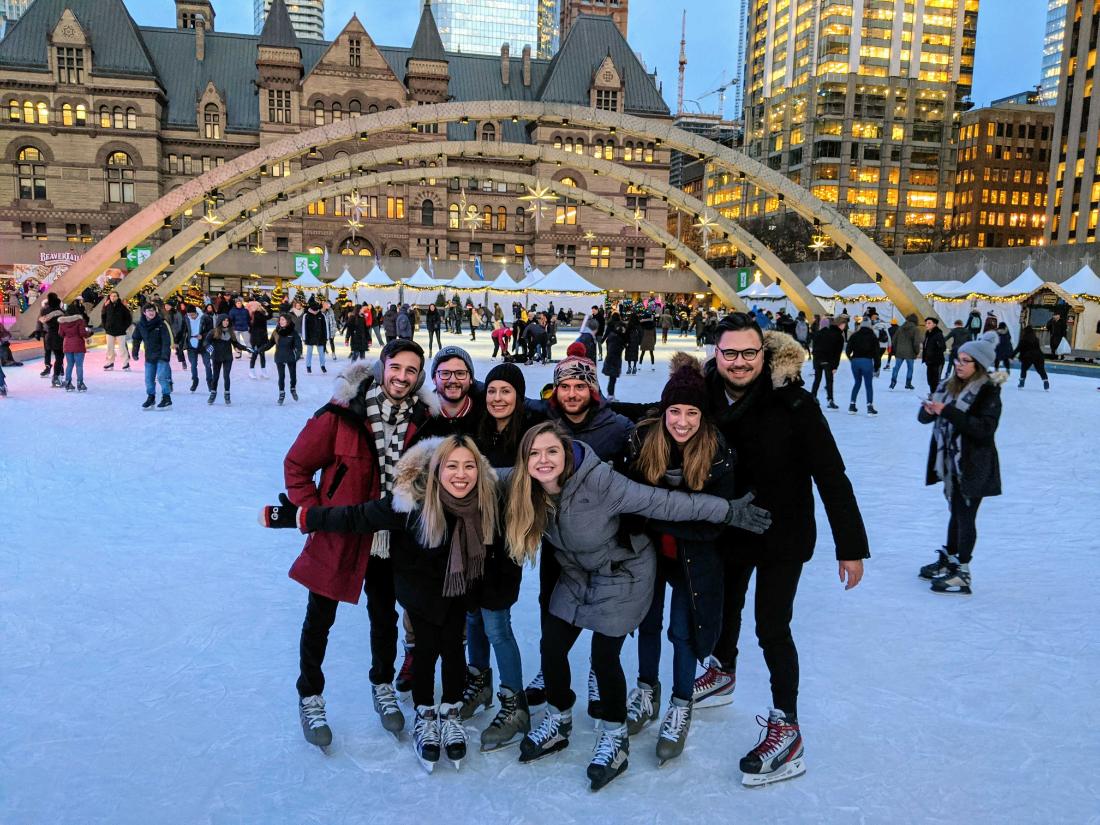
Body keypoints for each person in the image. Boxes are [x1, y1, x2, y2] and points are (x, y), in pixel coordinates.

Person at [508, 422, 770, 791]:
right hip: (577, 575)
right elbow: (473, 474)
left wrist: (726, 510)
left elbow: (664, 502)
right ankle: (559, 716)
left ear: (566, 453)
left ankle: (615, 737)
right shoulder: (524, 485)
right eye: (534, 453)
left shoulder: (601, 482)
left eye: (551, 451)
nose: (543, 460)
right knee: (551, 644)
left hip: (623, 572)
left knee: (604, 654)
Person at [692, 313, 868, 787]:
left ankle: (786, 726)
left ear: (764, 353)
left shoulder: (794, 403)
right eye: (730, 353)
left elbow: (831, 475)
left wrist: (850, 546)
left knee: (771, 625)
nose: (740, 362)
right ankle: (722, 671)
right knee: (723, 607)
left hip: (782, 534)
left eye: (750, 353)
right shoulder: (702, 394)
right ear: (716, 353)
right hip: (730, 525)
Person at [263, 435, 505, 771]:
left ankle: (449, 711)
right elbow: (355, 517)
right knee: (425, 650)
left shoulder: (484, 503)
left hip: (457, 590)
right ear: (435, 470)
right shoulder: (410, 505)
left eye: (468, 466)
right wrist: (304, 516)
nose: (460, 474)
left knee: (453, 648)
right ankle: (424, 713)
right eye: (451, 466)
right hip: (419, 591)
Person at [280, 339, 438, 747]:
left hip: (390, 536)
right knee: (320, 618)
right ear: (382, 366)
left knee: (384, 616)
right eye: (396, 367)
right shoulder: (341, 414)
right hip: (342, 532)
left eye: (411, 371)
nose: (402, 377)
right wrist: (315, 515)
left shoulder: (424, 419)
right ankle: (310, 695)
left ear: (418, 376)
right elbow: (297, 465)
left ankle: (382, 684)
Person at [623, 354, 738, 765]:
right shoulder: (642, 442)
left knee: (683, 631)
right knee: (648, 622)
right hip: (650, 553)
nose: (682, 421)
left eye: (692, 412)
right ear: (664, 410)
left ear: (703, 416)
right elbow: (633, 507)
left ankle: (680, 702)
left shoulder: (719, 452)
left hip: (695, 558)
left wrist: (664, 512)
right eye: (675, 411)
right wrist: (680, 510)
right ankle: (647, 689)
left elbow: (714, 524)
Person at [918, 331, 1003, 595]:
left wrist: (949, 412)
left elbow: (983, 430)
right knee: (956, 513)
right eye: (958, 359)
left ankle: (963, 572)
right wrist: (930, 410)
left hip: (975, 465)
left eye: (966, 360)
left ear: (978, 365)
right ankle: (951, 558)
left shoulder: (987, 391)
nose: (959, 364)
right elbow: (923, 419)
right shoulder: (947, 386)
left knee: (965, 516)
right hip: (951, 464)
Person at [131, 303, 174, 409]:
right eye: (149, 310)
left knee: (161, 377)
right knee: (148, 379)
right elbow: (136, 338)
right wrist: (135, 351)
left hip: (161, 355)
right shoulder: (141, 325)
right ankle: (151, 397)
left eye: (153, 310)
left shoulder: (161, 324)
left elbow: (166, 341)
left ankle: (166, 398)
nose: (151, 312)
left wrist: (165, 355)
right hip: (149, 356)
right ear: (144, 312)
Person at [204, 315, 251, 405]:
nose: (226, 322)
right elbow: (206, 341)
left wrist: (247, 348)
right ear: (220, 321)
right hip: (216, 357)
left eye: (227, 321)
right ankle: (213, 394)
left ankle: (227, 394)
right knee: (216, 377)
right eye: (224, 320)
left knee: (226, 376)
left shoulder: (230, 332)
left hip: (227, 357)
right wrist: (208, 347)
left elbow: (236, 344)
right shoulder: (214, 332)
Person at [259, 313, 303, 404]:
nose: (281, 321)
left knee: (293, 375)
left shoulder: (293, 332)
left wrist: (297, 355)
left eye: (283, 320)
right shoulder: (276, 332)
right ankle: (281, 394)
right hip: (279, 356)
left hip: (291, 356)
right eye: (280, 320)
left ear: (287, 321)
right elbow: (269, 344)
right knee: (281, 376)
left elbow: (299, 345)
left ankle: (292, 388)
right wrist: (259, 350)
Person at [845, 318, 879, 415]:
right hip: (867, 362)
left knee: (857, 383)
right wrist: (877, 366)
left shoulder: (854, 335)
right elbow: (876, 353)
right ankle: (869, 407)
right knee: (868, 385)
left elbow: (848, 350)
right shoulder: (872, 336)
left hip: (855, 361)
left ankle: (852, 405)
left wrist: (851, 359)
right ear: (869, 325)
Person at [810, 316, 843, 409]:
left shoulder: (817, 334)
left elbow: (814, 349)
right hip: (827, 361)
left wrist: (814, 363)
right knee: (829, 381)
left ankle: (812, 397)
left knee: (817, 380)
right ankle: (830, 400)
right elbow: (834, 350)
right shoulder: (831, 334)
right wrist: (834, 365)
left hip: (817, 360)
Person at [58, 302, 91, 392]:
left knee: (69, 365)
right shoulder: (79, 321)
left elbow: (61, 334)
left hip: (67, 345)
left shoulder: (62, 322)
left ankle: (68, 383)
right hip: (78, 345)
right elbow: (82, 333)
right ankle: (80, 384)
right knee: (79, 366)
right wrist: (89, 333)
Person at [184, 304, 215, 392]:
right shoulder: (186, 318)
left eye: (193, 315)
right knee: (193, 365)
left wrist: (203, 336)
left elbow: (211, 331)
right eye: (189, 315)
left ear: (196, 312)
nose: (191, 317)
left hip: (204, 345)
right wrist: (177, 341)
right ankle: (195, 381)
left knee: (207, 364)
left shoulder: (205, 318)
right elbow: (183, 330)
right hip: (191, 345)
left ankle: (210, 382)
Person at [101, 290, 132, 371]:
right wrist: (105, 326)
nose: (113, 297)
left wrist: (123, 327)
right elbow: (103, 316)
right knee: (109, 348)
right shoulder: (107, 306)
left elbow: (129, 318)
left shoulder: (122, 306)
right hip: (109, 331)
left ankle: (126, 363)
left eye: (115, 296)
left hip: (120, 331)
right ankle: (110, 362)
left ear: (118, 297)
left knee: (122, 348)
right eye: (111, 296)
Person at [38, 293, 65, 387]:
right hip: (58, 337)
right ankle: (56, 377)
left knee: (50, 353)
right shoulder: (60, 311)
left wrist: (38, 332)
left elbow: (40, 322)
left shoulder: (44, 311)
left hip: (48, 336)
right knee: (59, 357)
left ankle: (51, 370)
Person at [889, 313, 922, 390]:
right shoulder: (916, 329)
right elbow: (916, 342)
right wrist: (917, 352)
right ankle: (908, 383)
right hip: (910, 353)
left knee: (896, 367)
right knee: (910, 368)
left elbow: (894, 340)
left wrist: (895, 349)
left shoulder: (900, 328)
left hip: (899, 352)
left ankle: (893, 382)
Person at [1013, 325, 1050, 390]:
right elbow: (1038, 348)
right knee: (1041, 370)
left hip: (1028, 357)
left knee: (1024, 369)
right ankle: (1046, 383)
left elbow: (1018, 348)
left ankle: (1021, 384)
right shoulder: (1036, 339)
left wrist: (1011, 355)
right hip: (1038, 356)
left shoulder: (1024, 339)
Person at [601, 315, 625, 398]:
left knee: (612, 377)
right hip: (614, 356)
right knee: (613, 377)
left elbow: (606, 333)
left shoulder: (611, 327)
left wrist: (602, 340)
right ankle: (610, 395)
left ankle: (610, 394)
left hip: (611, 349)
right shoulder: (619, 333)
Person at [921, 317, 947, 395]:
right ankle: (933, 393)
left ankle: (936, 395)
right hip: (929, 361)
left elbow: (943, 347)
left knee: (935, 380)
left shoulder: (938, 334)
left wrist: (934, 353)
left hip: (937, 361)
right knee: (930, 380)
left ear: (934, 324)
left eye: (929, 323)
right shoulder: (928, 334)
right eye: (926, 323)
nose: (927, 325)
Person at [247, 300, 271, 379]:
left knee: (262, 355)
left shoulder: (261, 313)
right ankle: (251, 371)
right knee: (255, 354)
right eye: (259, 306)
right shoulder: (256, 314)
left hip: (262, 337)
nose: (260, 307)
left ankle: (263, 371)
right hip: (255, 338)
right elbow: (266, 317)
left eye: (260, 305)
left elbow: (269, 316)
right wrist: (266, 308)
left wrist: (268, 307)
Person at [303, 300, 328, 375]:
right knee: (309, 352)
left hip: (320, 337)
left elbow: (325, 327)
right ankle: (308, 367)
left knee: (321, 353)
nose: (315, 310)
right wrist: (304, 337)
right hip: (310, 337)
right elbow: (304, 327)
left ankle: (323, 366)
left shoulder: (321, 315)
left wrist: (326, 337)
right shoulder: (306, 315)